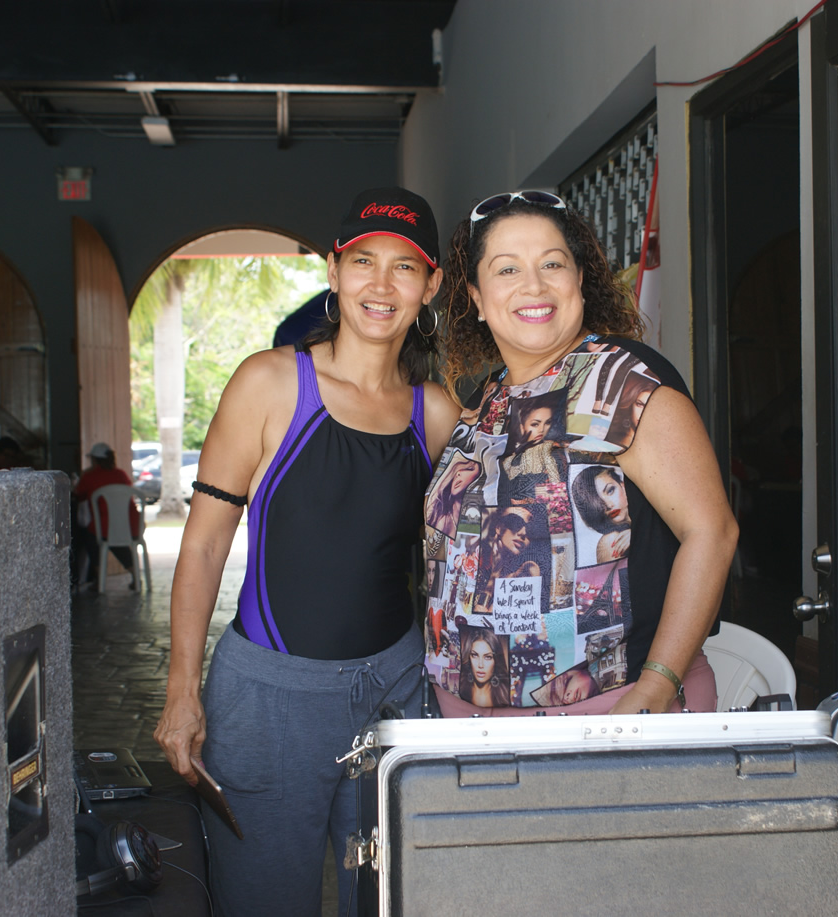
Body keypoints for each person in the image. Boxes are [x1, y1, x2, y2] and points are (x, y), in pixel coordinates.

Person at [152, 187, 460, 917]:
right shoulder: (269, 384)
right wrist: (182, 689)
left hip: (395, 692)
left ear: (431, 286)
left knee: (390, 898)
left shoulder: (436, 412)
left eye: (405, 267)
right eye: (363, 262)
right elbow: (203, 547)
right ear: (334, 270)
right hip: (269, 699)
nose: (381, 284)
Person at [422, 189, 739, 718]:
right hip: (467, 714)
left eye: (552, 264)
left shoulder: (623, 381)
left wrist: (656, 686)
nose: (534, 285)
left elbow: (712, 532)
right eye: (507, 269)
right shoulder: (484, 401)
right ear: (476, 296)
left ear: (580, 279)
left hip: (606, 711)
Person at [72, 441, 143, 590]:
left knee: (89, 536)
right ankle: (135, 574)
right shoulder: (121, 474)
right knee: (118, 541)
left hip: (103, 527)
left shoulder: (90, 477)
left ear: (94, 460)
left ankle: (99, 578)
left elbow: (79, 494)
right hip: (129, 525)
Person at [457, 626, 512, 707]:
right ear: (469, 657)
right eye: (475, 655)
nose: (480, 665)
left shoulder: (506, 695)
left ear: (496, 660)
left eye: (488, 657)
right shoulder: (459, 689)